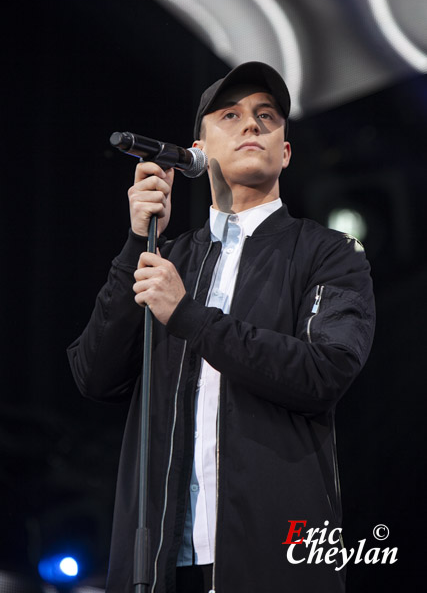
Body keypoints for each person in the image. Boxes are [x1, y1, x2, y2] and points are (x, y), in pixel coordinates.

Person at [67, 61, 375, 593]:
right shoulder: (169, 258)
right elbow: (94, 375)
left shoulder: (331, 254)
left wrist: (188, 316)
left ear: (285, 152)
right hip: (161, 561)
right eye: (230, 115)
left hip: (275, 558)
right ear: (197, 150)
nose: (251, 125)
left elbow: (325, 371)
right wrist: (135, 242)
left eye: (266, 116)